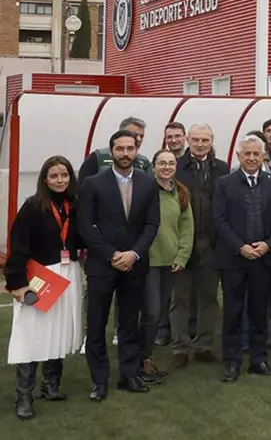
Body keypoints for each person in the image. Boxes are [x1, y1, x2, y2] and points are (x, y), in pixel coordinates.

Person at [79, 129, 161, 400]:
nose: (125, 153)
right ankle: (99, 381)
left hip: (134, 265)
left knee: (129, 323)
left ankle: (128, 376)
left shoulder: (149, 183)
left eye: (130, 148)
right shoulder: (93, 182)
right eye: (120, 149)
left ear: (137, 150)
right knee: (97, 324)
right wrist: (112, 254)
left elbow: (152, 224)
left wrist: (133, 254)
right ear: (111, 151)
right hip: (103, 266)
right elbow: (86, 226)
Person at [6, 156, 82, 420]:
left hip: (69, 273)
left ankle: (51, 385)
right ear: (45, 179)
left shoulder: (74, 205)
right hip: (41, 276)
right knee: (31, 334)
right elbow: (19, 246)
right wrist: (17, 283)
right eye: (54, 176)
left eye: (64, 175)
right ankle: (23, 396)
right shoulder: (33, 207)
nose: (60, 180)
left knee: (59, 330)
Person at [213, 134, 271, 382]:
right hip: (234, 259)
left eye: (257, 154)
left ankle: (259, 360)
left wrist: (268, 245)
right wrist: (240, 247)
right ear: (238, 156)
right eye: (247, 154)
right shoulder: (224, 183)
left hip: (263, 259)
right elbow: (220, 221)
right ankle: (232, 363)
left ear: (263, 155)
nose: (252, 158)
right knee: (233, 313)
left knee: (260, 312)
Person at [172, 124, 228, 369]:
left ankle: (204, 345)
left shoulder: (221, 169)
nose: (200, 143)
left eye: (205, 139)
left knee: (209, 298)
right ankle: (180, 348)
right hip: (182, 243)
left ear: (212, 140)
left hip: (212, 243)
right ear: (187, 140)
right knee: (180, 299)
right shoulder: (176, 167)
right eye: (195, 139)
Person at [137, 150, 193, 386]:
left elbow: (187, 227)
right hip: (147, 262)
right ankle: (142, 359)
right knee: (149, 312)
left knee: (157, 311)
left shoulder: (180, 193)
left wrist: (181, 257)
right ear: (153, 166)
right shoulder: (143, 191)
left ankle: (142, 355)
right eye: (162, 163)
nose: (167, 167)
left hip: (169, 264)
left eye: (171, 163)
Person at [79, 117, 154, 179]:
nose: (139, 139)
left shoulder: (143, 161)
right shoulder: (98, 156)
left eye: (141, 136)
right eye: (134, 134)